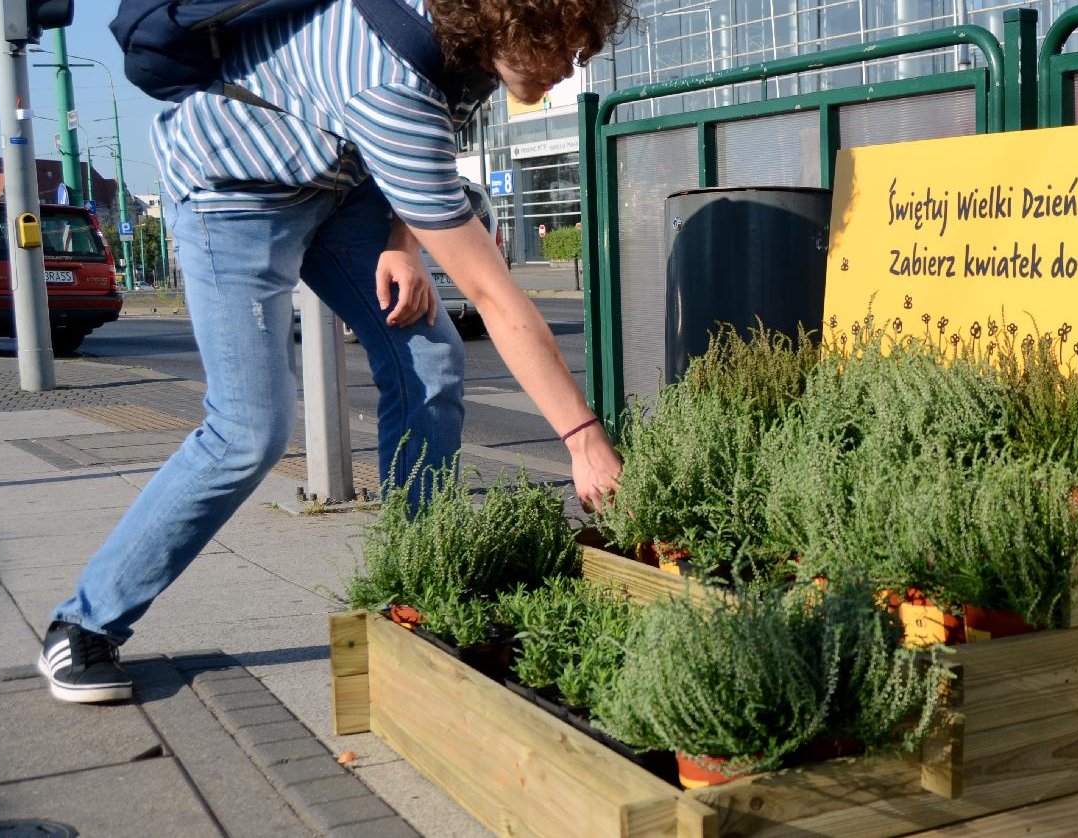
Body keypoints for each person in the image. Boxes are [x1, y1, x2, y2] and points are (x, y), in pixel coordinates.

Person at [37, 0, 632, 704]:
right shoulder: (387, 81)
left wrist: (402, 245)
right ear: (515, 24)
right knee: (248, 430)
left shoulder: (462, 50)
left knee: (430, 358)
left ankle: (417, 585)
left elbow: (426, 156)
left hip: (339, 183)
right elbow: (497, 298)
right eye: (563, 47)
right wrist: (584, 440)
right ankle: (85, 623)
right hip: (234, 191)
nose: (571, 66)